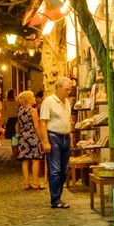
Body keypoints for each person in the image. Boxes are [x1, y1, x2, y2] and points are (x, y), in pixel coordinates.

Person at [40, 77, 73, 208]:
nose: (68, 92)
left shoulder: (67, 102)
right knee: (55, 170)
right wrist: (45, 142)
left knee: (64, 170)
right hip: (53, 137)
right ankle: (55, 199)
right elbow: (43, 123)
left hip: (66, 137)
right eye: (66, 89)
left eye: (70, 89)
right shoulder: (49, 101)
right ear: (58, 88)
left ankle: (58, 196)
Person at [15, 90, 47, 190]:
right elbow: (37, 127)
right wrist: (42, 140)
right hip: (32, 136)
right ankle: (35, 182)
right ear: (29, 99)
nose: (35, 99)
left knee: (25, 160)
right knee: (35, 160)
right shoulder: (33, 111)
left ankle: (26, 183)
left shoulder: (20, 110)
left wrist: (19, 134)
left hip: (23, 137)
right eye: (33, 97)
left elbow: (17, 125)